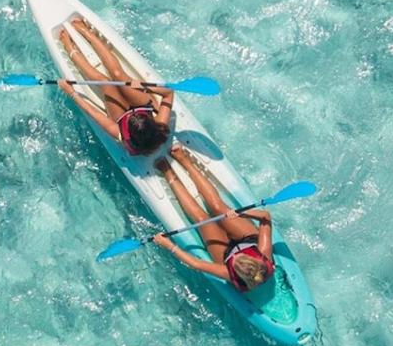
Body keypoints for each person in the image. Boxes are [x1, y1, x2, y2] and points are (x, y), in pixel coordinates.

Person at [153, 144, 275, 291]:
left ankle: (168, 172)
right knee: (217, 206)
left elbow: (196, 264)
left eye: (235, 259)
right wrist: (240, 213)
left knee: (201, 219)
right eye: (241, 256)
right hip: (249, 239)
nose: (237, 255)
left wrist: (168, 245)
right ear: (255, 259)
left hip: (224, 254)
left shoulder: (229, 273)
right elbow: (265, 217)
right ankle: (185, 160)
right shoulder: (264, 255)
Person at [57, 18, 173, 155]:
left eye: (132, 116)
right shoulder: (161, 125)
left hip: (120, 116)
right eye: (137, 115)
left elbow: (93, 113)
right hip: (144, 105)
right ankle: (86, 32)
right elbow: (169, 93)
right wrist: (143, 86)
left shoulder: (122, 136)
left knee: (104, 82)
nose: (133, 112)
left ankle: (69, 47)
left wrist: (71, 92)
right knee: (118, 74)